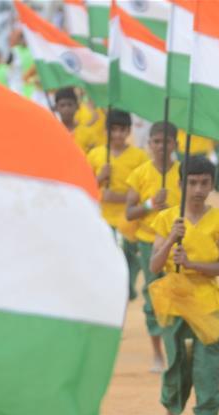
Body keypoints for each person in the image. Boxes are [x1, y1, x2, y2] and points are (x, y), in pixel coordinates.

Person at [149, 156, 219, 415]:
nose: (198, 189)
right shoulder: (168, 218)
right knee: (177, 367)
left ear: (211, 185)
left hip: (208, 305)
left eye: (204, 183)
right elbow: (155, 266)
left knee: (208, 372)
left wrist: (194, 263)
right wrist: (171, 239)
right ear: (181, 184)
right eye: (192, 182)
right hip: (175, 302)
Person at [126, 121, 181, 373]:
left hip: (179, 242)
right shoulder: (140, 174)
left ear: (175, 144)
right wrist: (149, 205)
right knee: (152, 297)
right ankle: (157, 352)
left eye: (166, 141)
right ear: (149, 144)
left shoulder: (183, 174)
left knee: (176, 296)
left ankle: (176, 349)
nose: (161, 146)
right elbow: (129, 212)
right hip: (150, 242)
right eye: (156, 141)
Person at [86, 109, 148, 301]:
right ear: (107, 131)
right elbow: (85, 187)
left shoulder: (139, 157)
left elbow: (143, 190)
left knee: (128, 265)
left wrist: (118, 198)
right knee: (109, 268)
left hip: (128, 222)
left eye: (122, 130)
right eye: (114, 130)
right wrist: (99, 178)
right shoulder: (96, 155)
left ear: (129, 131)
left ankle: (125, 289)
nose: (118, 135)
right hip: (103, 220)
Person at [54, 87, 97, 154]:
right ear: (56, 108)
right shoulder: (53, 131)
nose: (66, 109)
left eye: (70, 105)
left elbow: (91, 157)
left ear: (77, 106)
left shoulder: (87, 132)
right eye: (62, 105)